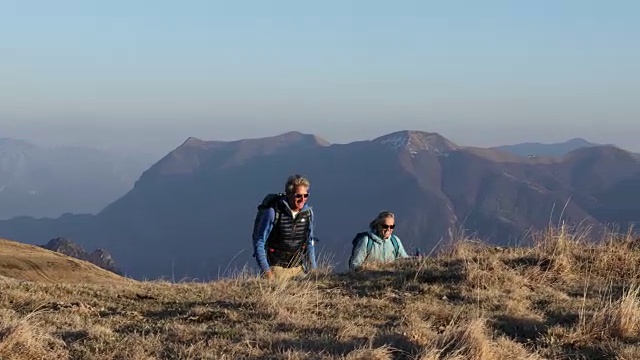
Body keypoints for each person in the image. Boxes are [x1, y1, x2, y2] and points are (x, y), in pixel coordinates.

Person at [253, 175, 317, 280]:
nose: (302, 199)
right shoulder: (273, 213)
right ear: (289, 195)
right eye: (298, 196)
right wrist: (267, 272)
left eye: (306, 195)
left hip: (299, 269)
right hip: (277, 269)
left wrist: (313, 270)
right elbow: (260, 242)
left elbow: (309, 242)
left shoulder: (308, 214)